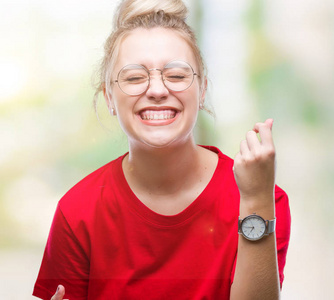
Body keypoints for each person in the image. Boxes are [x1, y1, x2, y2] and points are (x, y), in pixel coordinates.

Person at [33, 0, 291, 299]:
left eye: (177, 75)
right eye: (134, 77)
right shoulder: (77, 211)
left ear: (202, 89)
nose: (157, 90)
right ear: (109, 98)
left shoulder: (263, 198)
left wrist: (255, 200)